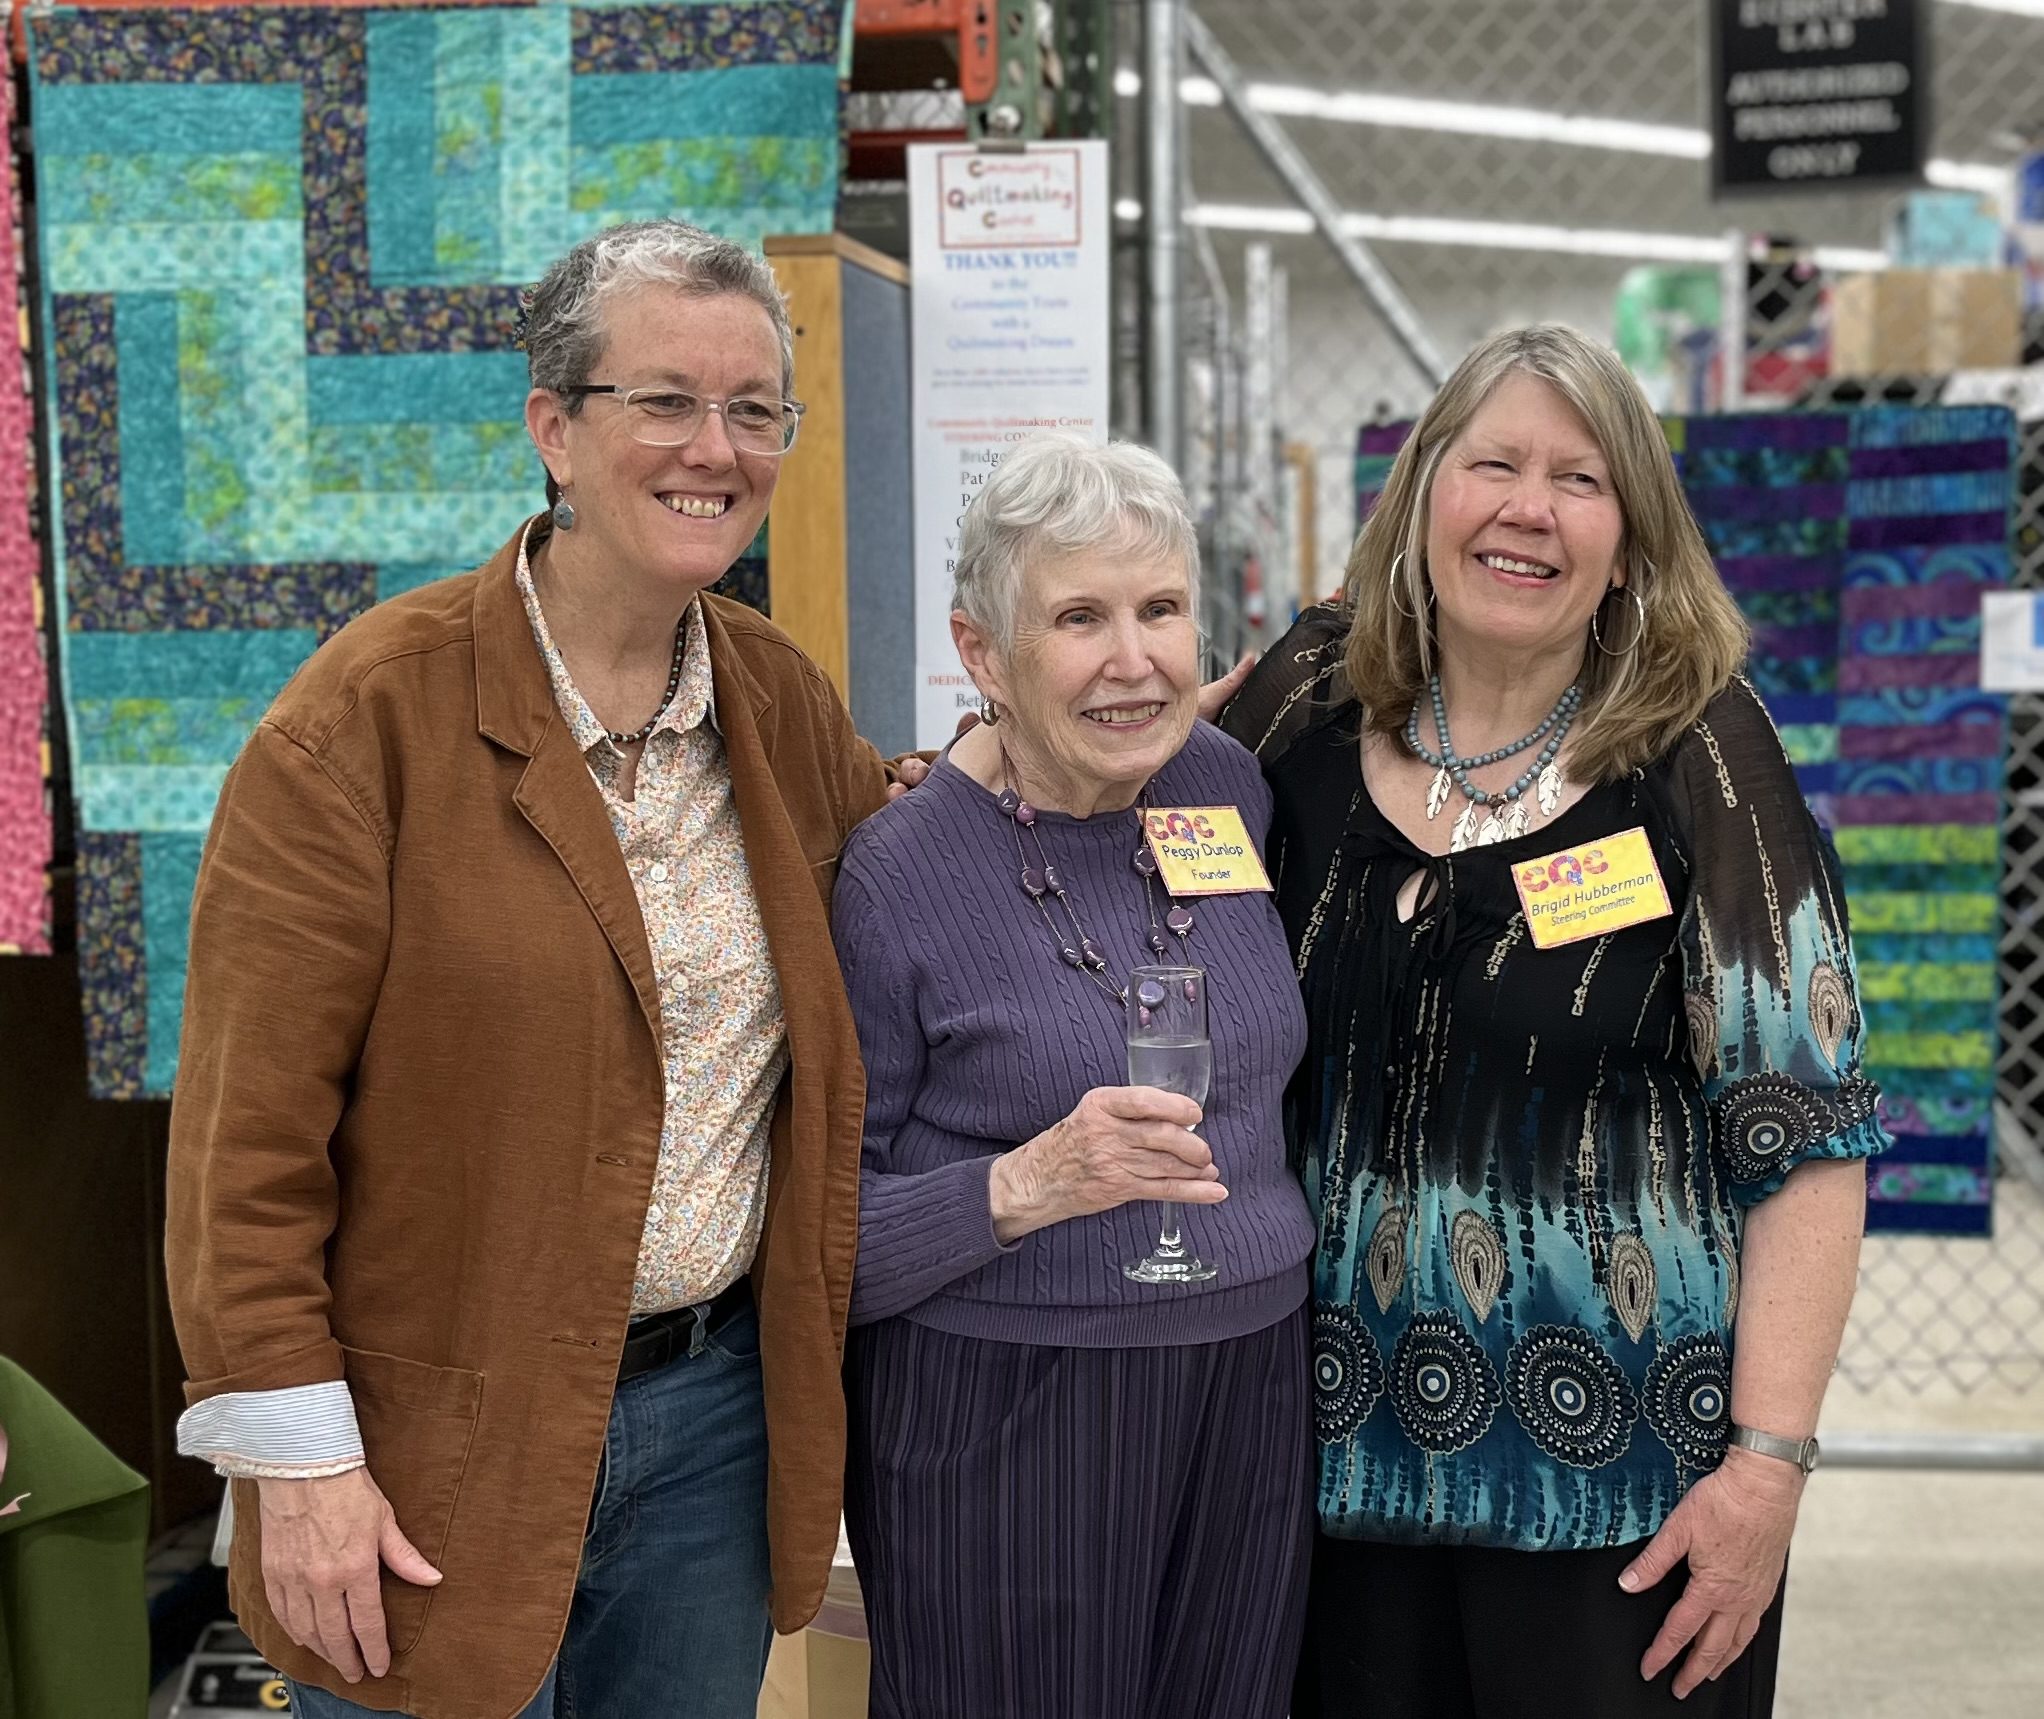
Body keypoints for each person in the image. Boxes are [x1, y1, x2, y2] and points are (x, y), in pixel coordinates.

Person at [164, 221, 903, 1719]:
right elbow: (242, 1148)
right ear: (554, 430)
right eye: (668, 402)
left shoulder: (776, 698)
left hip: (711, 1430)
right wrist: (298, 1465)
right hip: (432, 1438)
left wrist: (1107, 736)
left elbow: (914, 846)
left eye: (757, 409)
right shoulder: (363, 721)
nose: (718, 448)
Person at [1222, 325, 1889, 1718]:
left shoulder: (1703, 753)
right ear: (1419, 502)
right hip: (1315, 1485)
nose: (1530, 506)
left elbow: (1810, 1139)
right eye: (1495, 464)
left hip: (1625, 1512)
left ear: (1630, 539)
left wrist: (1766, 1467)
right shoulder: (1306, 701)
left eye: (1581, 479)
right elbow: (1112, 755)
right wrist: (974, 751)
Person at [831, 433, 1316, 1719]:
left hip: (1249, 1381)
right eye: (1079, 617)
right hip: (1005, 1407)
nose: (1135, 657)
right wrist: (1027, 1185)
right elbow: (822, 1242)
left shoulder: (1231, 791)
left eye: (1162, 610)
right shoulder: (895, 874)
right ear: (980, 652)